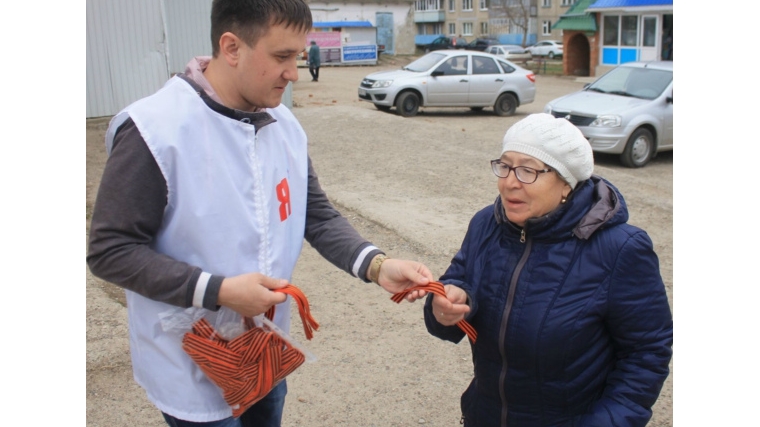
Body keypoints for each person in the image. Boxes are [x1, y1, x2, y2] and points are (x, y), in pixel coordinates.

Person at [86, 0, 431, 426]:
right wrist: (218, 290)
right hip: (191, 358)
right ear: (231, 47)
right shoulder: (156, 131)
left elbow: (316, 214)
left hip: (264, 348)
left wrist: (377, 265)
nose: (294, 73)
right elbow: (110, 250)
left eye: (298, 57)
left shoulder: (284, 123)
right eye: (281, 57)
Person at [424, 113, 673, 427]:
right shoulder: (487, 224)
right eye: (505, 166)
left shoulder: (620, 248)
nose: (510, 181)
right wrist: (446, 305)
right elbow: (458, 280)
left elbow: (646, 351)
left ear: (566, 183)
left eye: (528, 170)